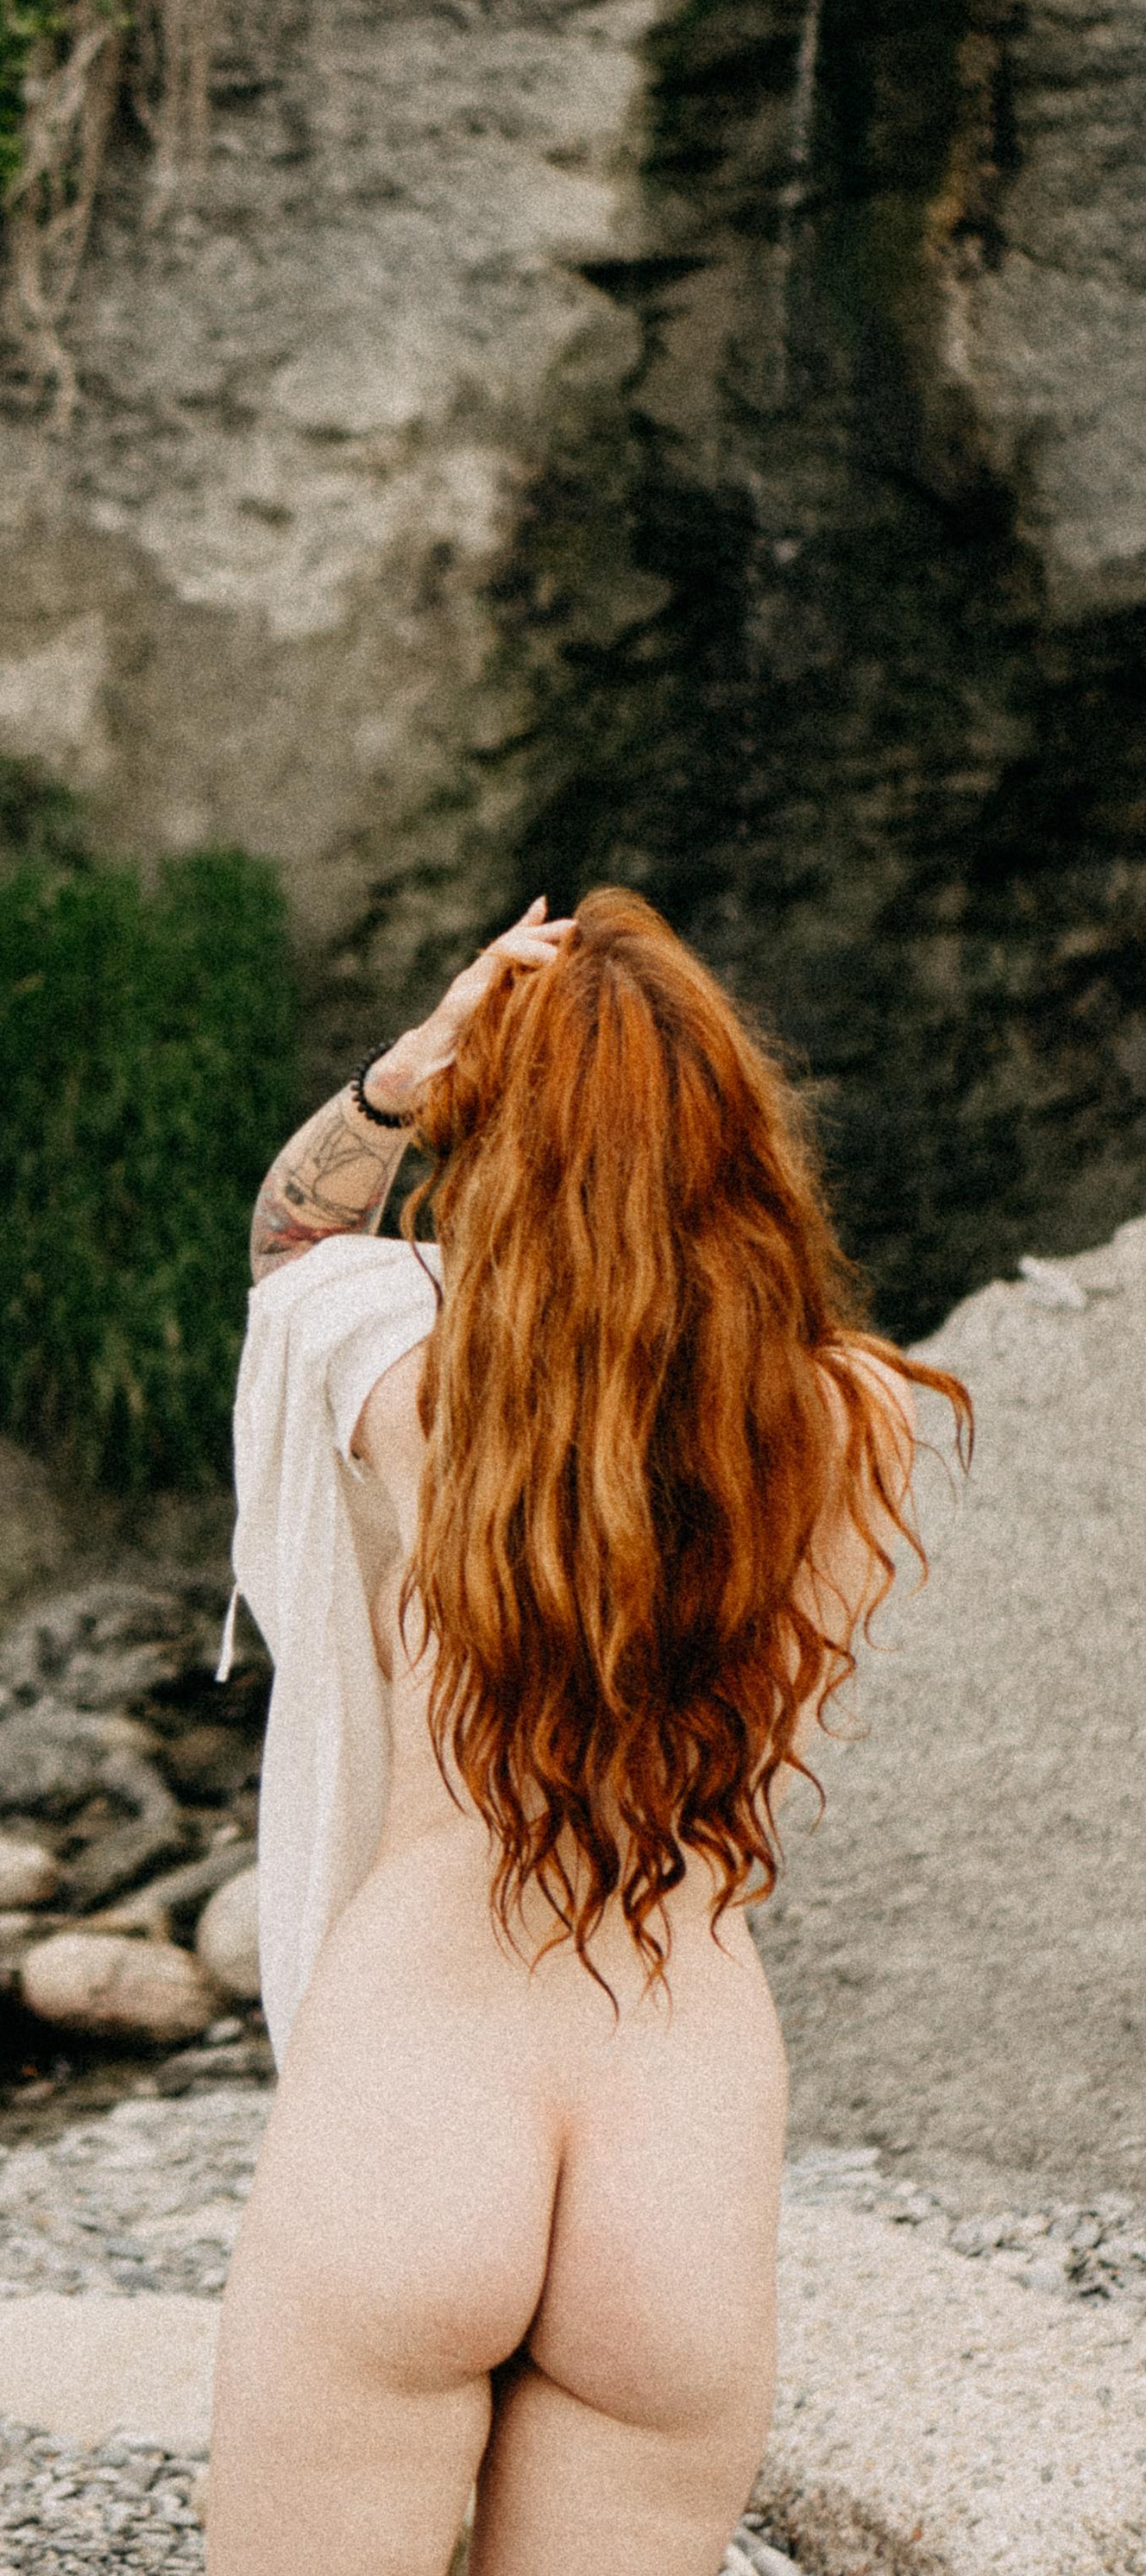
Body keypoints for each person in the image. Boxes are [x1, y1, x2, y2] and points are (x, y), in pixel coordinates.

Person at [205, 887, 970, 2576]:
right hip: (676, 2116)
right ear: (737, 1136)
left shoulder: (422, 1389)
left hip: (424, 2080)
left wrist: (406, 1070)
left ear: (500, 1141)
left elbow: (290, 1246)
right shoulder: (852, 1425)